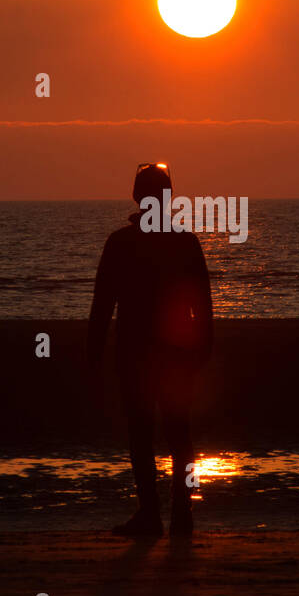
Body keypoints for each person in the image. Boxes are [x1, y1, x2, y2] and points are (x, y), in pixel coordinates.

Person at [88, 163, 213, 537]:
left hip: (137, 353)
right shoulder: (184, 243)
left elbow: (101, 305)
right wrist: (203, 347)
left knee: (143, 434)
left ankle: (151, 515)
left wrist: (93, 353)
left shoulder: (121, 243)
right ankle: (181, 515)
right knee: (179, 434)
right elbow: (203, 305)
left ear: (137, 197)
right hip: (176, 354)